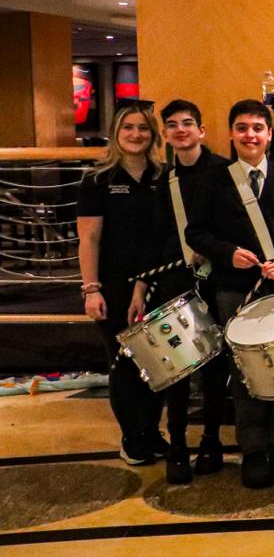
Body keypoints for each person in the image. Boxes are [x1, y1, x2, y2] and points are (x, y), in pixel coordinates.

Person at [185, 99, 274, 489]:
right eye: (242, 128)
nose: (250, 135)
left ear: (270, 134)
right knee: (245, 374)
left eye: (258, 128)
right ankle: (253, 449)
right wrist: (227, 254)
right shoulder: (215, 179)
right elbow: (196, 233)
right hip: (233, 290)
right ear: (231, 134)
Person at [140, 98, 231, 480]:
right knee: (176, 367)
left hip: (217, 279)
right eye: (173, 124)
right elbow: (151, 239)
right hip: (173, 281)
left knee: (213, 366)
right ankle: (178, 443)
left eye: (188, 123)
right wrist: (141, 287)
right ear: (165, 133)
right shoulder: (160, 179)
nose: (181, 129)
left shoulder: (225, 172)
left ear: (201, 130)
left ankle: (211, 439)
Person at [77, 102, 166, 467]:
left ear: (153, 134)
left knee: (158, 363)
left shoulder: (164, 176)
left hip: (156, 283)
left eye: (143, 128)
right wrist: (91, 289)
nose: (135, 135)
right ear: (116, 132)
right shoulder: (97, 180)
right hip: (112, 286)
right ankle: (133, 436)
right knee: (125, 364)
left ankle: (152, 430)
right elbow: (89, 239)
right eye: (128, 127)